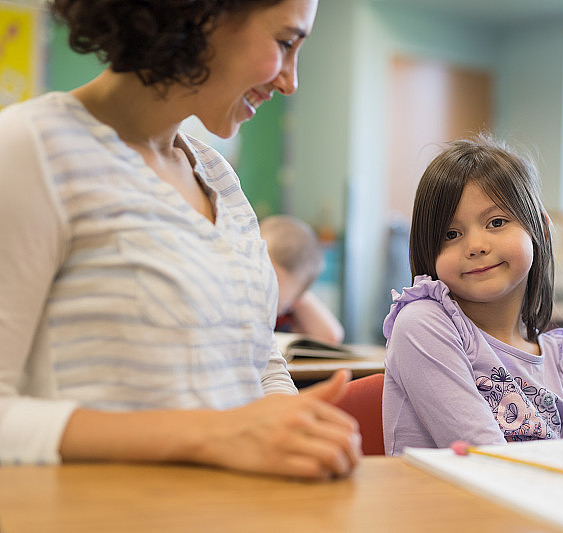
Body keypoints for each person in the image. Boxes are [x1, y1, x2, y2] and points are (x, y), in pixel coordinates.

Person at [0, 0, 361, 478]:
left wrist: (296, 433)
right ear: (200, 14)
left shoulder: (218, 177)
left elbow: (257, 360)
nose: (290, 81)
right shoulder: (30, 150)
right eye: (285, 42)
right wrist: (212, 434)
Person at [382, 135, 563, 456]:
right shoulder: (423, 324)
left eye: (496, 222)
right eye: (451, 234)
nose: (475, 246)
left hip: (536, 504)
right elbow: (485, 460)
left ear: (539, 229)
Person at [260, 215, 344, 344]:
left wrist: (299, 294)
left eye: (274, 300)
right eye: (260, 286)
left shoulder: (287, 314)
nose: (260, 303)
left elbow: (332, 337)